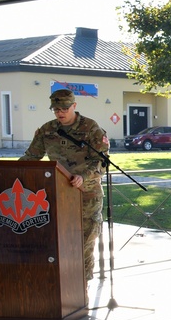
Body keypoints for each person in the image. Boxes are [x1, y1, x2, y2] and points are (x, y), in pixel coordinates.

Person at [19, 89, 108, 282]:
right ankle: (64, 286)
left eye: (65, 108)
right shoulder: (47, 130)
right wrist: (12, 172)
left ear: (74, 106)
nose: (60, 113)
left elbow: (101, 162)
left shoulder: (91, 128)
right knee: (60, 242)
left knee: (85, 242)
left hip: (87, 194)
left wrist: (83, 177)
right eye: (56, 109)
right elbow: (32, 157)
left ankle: (82, 287)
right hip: (57, 195)